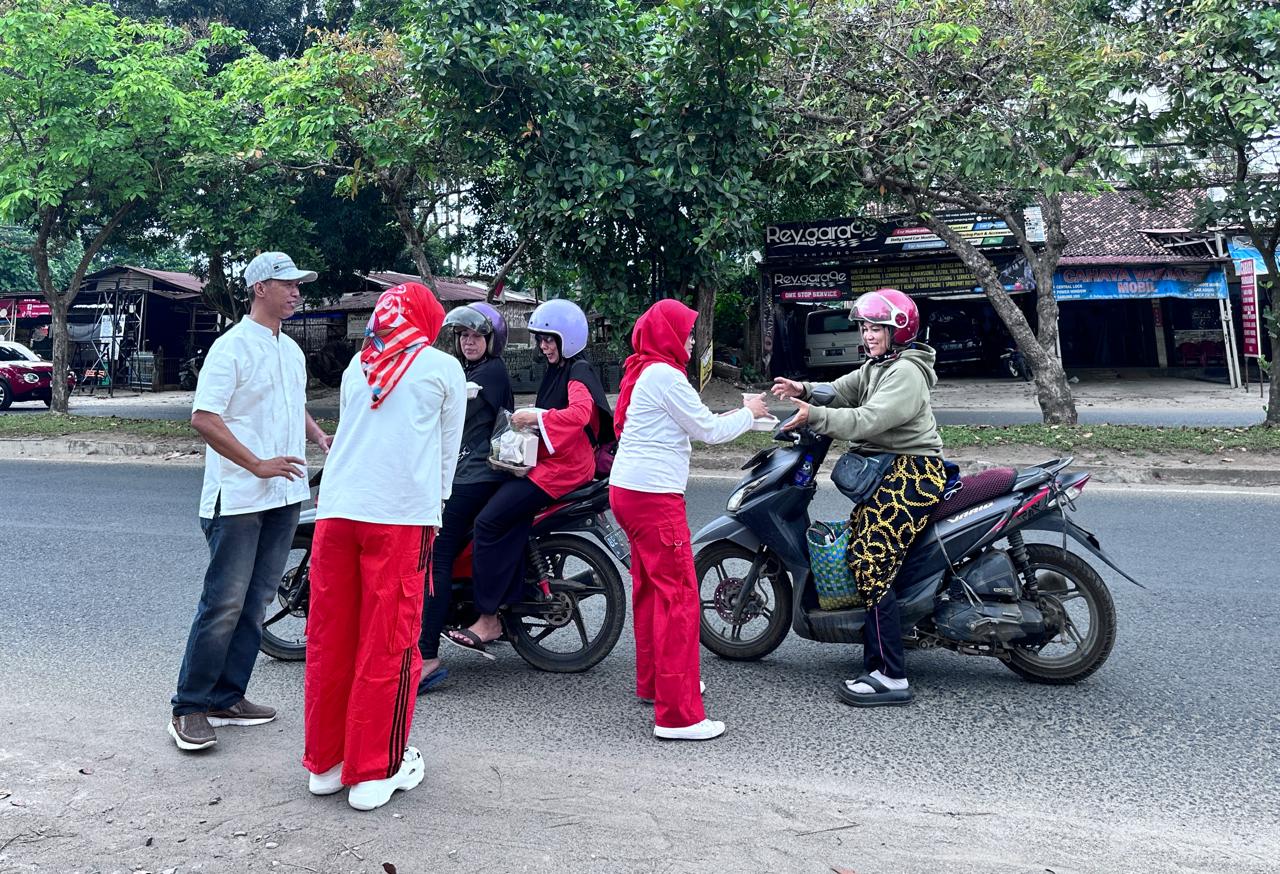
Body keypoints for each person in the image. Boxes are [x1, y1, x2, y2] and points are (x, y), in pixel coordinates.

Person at [302, 282, 466, 811]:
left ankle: (325, 765)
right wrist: (435, 514)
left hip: (336, 513)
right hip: (398, 520)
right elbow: (445, 459)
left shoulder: (358, 366)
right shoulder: (443, 371)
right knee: (390, 644)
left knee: (330, 638)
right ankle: (375, 772)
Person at [169, 251, 331, 752]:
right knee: (223, 603)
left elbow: (290, 403)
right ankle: (190, 706)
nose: (297, 292)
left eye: (299, 284)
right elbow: (205, 418)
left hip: (284, 495)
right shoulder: (231, 347)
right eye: (288, 284)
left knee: (258, 600)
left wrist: (319, 436)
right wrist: (257, 464)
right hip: (238, 498)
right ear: (260, 287)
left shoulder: (291, 351)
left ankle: (228, 696)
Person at [773, 288, 945, 708]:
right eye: (866, 328)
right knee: (863, 549)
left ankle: (891, 674)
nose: (868, 335)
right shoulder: (879, 366)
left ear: (897, 330)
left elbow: (866, 419)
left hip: (913, 473)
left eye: (876, 329)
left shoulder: (905, 373)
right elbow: (842, 390)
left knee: (870, 559)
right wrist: (804, 388)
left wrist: (814, 415)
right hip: (893, 470)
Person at [609, 299, 768, 740]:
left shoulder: (644, 369)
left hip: (629, 491)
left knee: (650, 589)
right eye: (688, 331)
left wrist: (749, 420)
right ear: (667, 334)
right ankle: (677, 716)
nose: (693, 339)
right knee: (679, 598)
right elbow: (708, 431)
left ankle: (656, 683)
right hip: (654, 497)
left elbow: (690, 424)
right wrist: (750, 412)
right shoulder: (663, 374)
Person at [442, 298, 612, 656]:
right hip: (552, 461)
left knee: (489, 522)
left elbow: (579, 415)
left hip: (563, 468)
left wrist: (535, 417)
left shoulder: (577, 371)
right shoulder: (562, 368)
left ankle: (489, 619)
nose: (544, 345)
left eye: (550, 339)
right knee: (502, 511)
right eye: (540, 339)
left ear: (568, 339)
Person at [417, 302, 515, 693]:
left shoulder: (490, 372)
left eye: (476, 336)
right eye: (463, 336)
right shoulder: (469, 371)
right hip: (466, 471)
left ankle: (426, 656)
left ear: (492, 340)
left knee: (436, 553)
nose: (469, 341)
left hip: (475, 476)